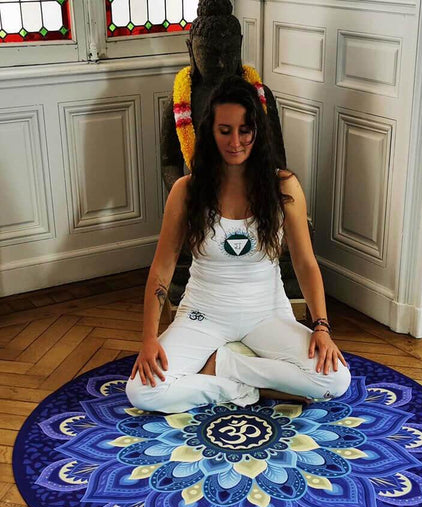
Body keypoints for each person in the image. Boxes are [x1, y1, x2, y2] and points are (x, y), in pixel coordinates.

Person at [126, 76, 351, 414]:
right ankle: (239, 387)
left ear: (257, 131)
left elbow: (305, 263)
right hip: (202, 315)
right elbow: (162, 269)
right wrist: (148, 339)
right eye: (225, 130)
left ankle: (227, 365)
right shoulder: (186, 190)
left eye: (245, 130)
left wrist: (321, 327)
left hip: (267, 315)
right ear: (210, 132)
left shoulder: (283, 186)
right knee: (142, 391)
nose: (235, 141)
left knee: (335, 380)